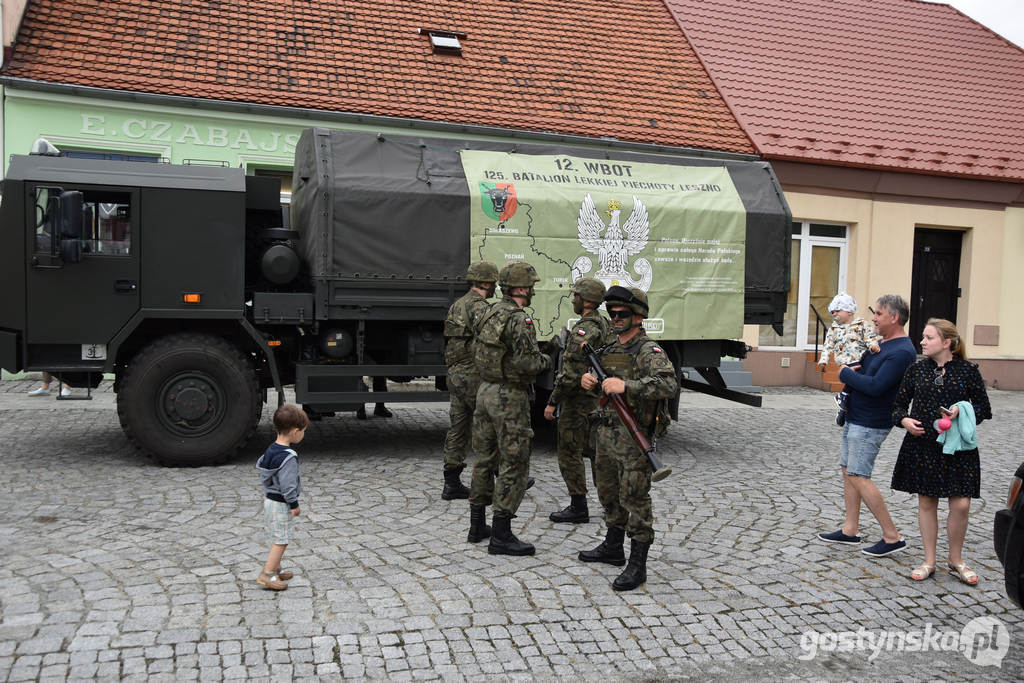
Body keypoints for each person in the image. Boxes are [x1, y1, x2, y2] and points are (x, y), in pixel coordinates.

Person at [578, 286, 677, 591]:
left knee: (634, 498)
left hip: (634, 438)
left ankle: (638, 565)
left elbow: (667, 384)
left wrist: (627, 386)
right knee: (607, 492)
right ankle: (612, 547)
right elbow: (605, 388)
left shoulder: (649, 351)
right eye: (612, 314)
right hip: (606, 433)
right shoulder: (608, 350)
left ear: (638, 317)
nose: (615, 319)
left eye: (622, 314)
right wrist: (591, 383)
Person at [891, 319, 992, 584]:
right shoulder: (916, 369)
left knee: (961, 503)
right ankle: (929, 560)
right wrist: (905, 421)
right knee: (927, 502)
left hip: (958, 447)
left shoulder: (968, 371)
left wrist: (962, 412)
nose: (922, 342)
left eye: (928, 338)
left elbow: (983, 408)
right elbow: (898, 406)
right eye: (923, 337)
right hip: (924, 444)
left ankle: (956, 560)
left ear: (946, 343)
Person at [817, 294, 916, 558]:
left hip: (872, 421)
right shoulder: (881, 345)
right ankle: (850, 530)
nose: (873, 318)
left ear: (894, 318)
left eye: (878, 314)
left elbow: (876, 386)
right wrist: (855, 372)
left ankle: (892, 536)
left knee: (859, 475)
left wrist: (846, 374)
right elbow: (865, 372)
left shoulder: (902, 352)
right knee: (848, 471)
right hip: (856, 415)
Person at [466, 260, 551, 555]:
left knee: (484, 459)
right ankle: (501, 535)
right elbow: (529, 363)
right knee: (514, 462)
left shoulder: (488, 311)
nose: (532, 292)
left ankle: (477, 525)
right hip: (509, 396)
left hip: (485, 391)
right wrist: (547, 359)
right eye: (531, 287)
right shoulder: (519, 319)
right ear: (521, 288)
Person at [544, 277, 610, 523]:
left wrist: (552, 402)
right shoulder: (604, 324)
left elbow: (570, 372)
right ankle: (608, 504)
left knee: (569, 452)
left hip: (577, 402)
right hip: (597, 401)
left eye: (576, 296)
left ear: (587, 300)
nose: (573, 299)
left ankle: (578, 506)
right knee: (597, 453)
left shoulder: (584, 330)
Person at [441, 260, 498, 500]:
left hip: (455, 374)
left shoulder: (457, 305)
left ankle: (451, 482)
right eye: (493, 282)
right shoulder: (480, 307)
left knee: (458, 427)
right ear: (486, 282)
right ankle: (503, 475)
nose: (495, 286)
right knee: (490, 424)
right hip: (473, 374)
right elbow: (491, 338)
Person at [255, 404, 308, 591]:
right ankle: (267, 574)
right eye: (303, 431)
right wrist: (294, 504)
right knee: (281, 540)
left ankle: (276, 568)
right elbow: (288, 485)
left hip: (269, 500)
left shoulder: (271, 449)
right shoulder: (288, 457)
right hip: (280, 503)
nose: (303, 434)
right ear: (295, 432)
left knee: (278, 535)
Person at [816, 293, 881, 426]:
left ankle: (844, 402)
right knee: (853, 383)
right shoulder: (834, 328)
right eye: (832, 312)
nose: (834, 314)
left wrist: (873, 345)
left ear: (850, 311)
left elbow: (869, 336)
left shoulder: (861, 324)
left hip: (860, 360)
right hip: (844, 362)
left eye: (838, 310)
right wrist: (824, 359)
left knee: (855, 383)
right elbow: (828, 344)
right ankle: (844, 404)